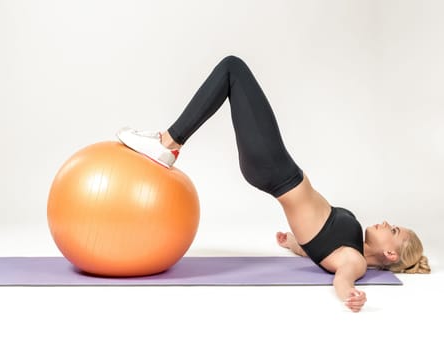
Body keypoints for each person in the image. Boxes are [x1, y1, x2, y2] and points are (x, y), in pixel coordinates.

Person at [116, 55, 431, 312]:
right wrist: (296, 244)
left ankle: (168, 141)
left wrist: (351, 295)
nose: (388, 224)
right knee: (233, 71)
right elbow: (321, 251)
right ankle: (169, 141)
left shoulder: (354, 261)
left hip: (275, 170)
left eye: (393, 231)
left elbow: (342, 278)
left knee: (232, 68)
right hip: (276, 169)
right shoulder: (351, 249)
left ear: (390, 255)